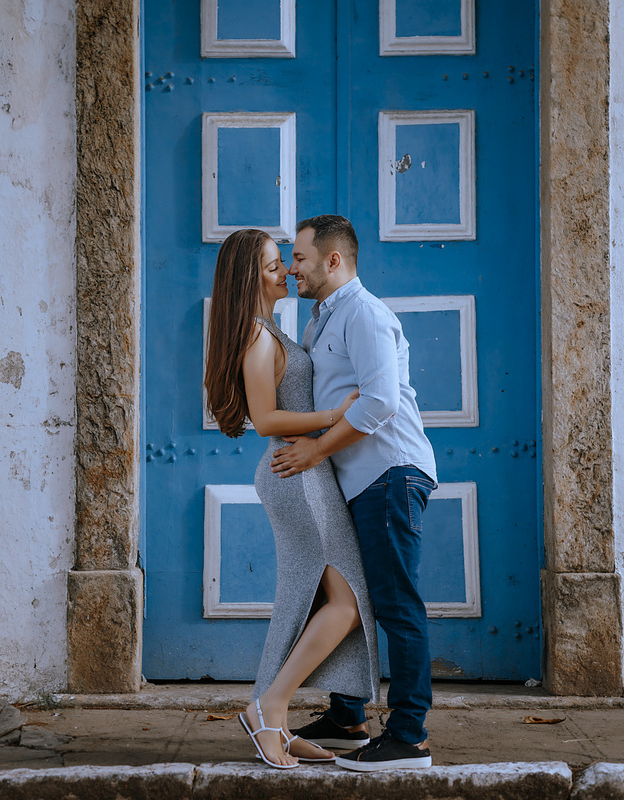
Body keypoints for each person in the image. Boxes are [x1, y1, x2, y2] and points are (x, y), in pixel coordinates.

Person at [204, 228, 380, 769]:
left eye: (284, 261)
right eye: (273, 266)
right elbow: (265, 420)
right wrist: (335, 416)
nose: (286, 272)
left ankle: (273, 720)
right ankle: (271, 705)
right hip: (296, 476)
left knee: (309, 601)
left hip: (305, 473)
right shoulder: (258, 338)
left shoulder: (272, 330)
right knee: (346, 604)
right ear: (249, 280)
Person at [271, 214, 439, 771]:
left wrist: (316, 451)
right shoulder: (323, 319)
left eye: (299, 257)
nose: (291, 267)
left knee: (395, 604)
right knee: (349, 600)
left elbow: (380, 401)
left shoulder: (364, 313)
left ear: (333, 260)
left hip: (388, 473)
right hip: (357, 479)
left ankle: (409, 737)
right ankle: (347, 717)